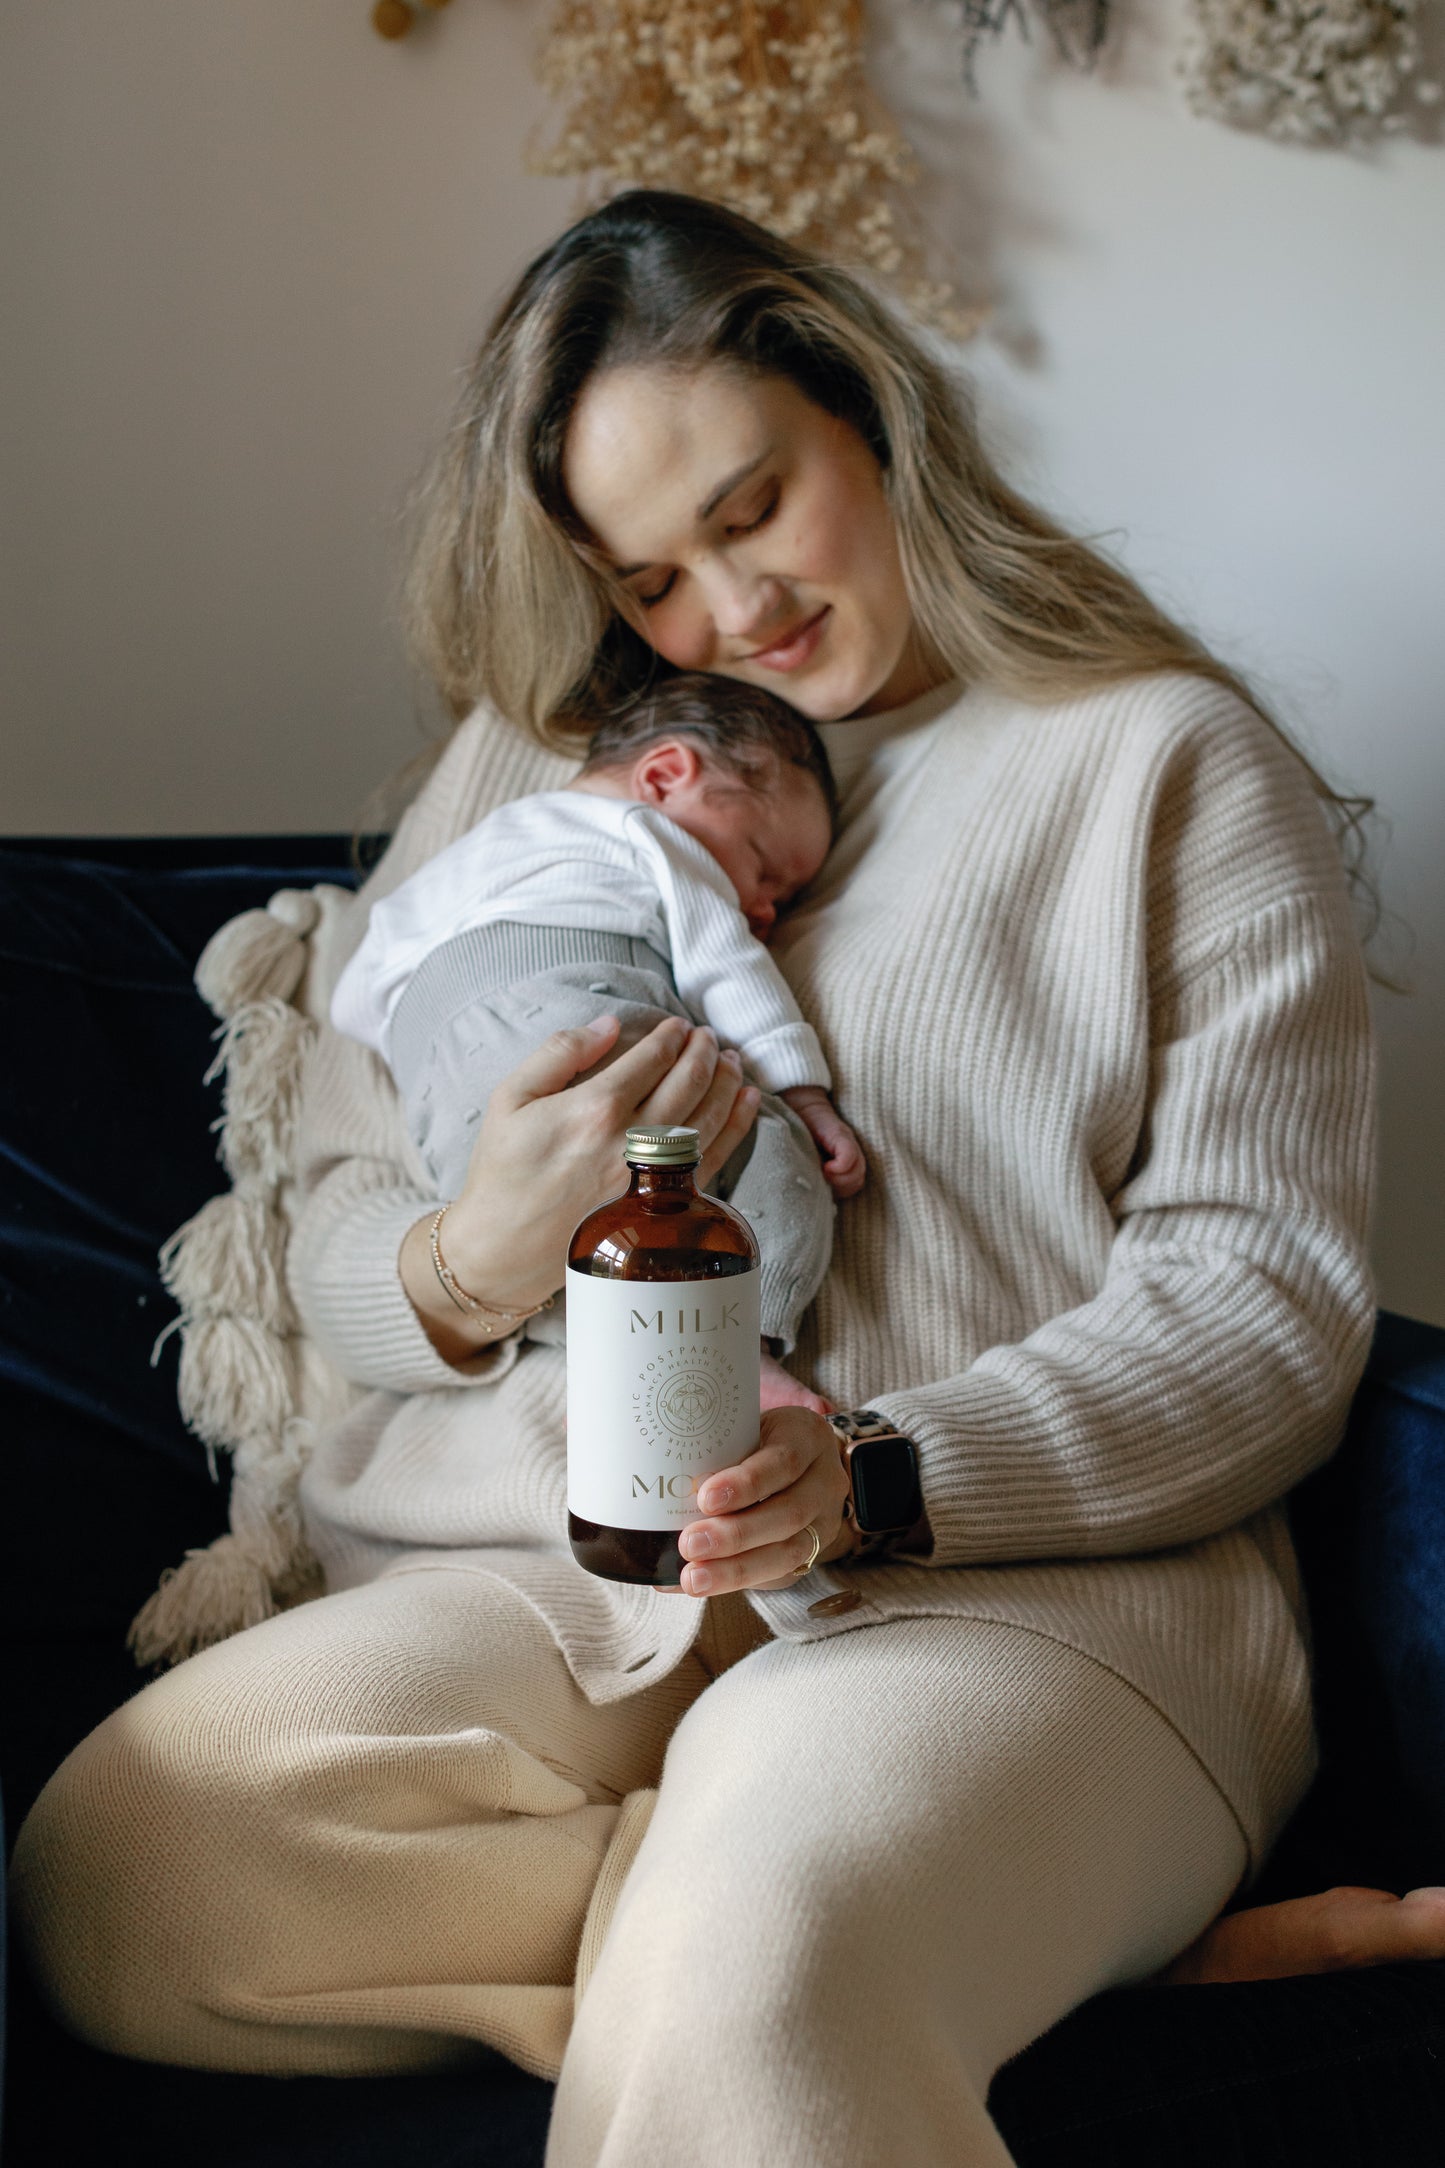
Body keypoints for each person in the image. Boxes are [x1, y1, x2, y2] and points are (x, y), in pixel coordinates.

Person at [12, 189, 1443, 2164]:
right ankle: (990, 1943)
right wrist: (463, 1255)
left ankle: (831, 1918)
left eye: (750, 507)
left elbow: (1256, 1308)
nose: (724, 616)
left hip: (1016, 1605)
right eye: (651, 577)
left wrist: (876, 1473)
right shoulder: (541, 775)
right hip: (542, 1577)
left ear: (873, 416)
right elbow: (333, 1215)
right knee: (135, 1860)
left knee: (759, 1951)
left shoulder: (1157, 763)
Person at [329, 671, 863, 1414]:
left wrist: (440, 1073)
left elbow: (353, 1000)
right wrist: (804, 1093)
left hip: (446, 1091)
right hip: (578, 1011)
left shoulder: (456, 859)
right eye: (761, 864)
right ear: (666, 776)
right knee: (763, 1138)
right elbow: (727, 968)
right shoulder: (645, 832)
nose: (765, 905)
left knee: (543, 1243)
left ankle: (606, 1348)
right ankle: (747, 1352)